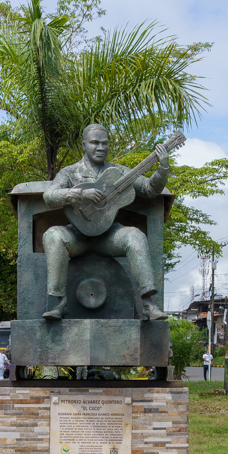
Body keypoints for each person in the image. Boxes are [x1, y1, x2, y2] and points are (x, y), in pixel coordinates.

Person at [42, 124, 170, 321]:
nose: (100, 147)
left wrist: (162, 168)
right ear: (84, 144)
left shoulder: (118, 171)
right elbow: (49, 196)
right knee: (52, 235)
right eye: (94, 143)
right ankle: (59, 303)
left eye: (104, 143)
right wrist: (79, 193)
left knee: (135, 236)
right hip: (77, 236)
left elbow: (149, 189)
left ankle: (148, 305)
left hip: (108, 236)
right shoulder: (70, 172)